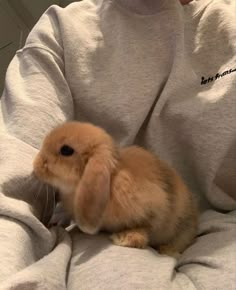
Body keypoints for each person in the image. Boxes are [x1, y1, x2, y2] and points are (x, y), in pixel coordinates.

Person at [0, 0, 235, 289]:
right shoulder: (61, 32)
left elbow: (155, 204)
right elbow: (11, 189)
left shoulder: (229, 25)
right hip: (81, 257)